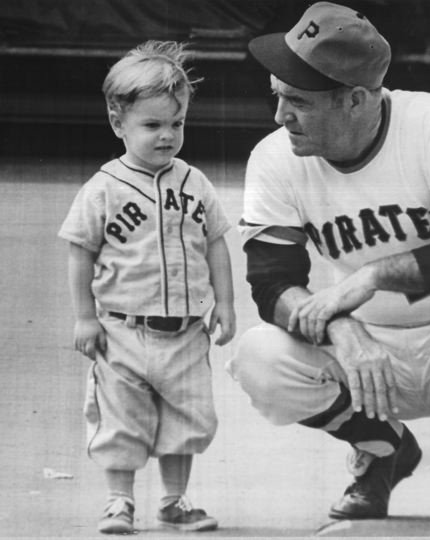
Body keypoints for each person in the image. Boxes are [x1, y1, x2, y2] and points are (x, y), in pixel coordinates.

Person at [228, 2, 430, 536]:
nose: (280, 116)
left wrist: (371, 276)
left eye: (298, 101)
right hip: (370, 361)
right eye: (278, 95)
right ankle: (385, 449)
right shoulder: (273, 157)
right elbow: (270, 282)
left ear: (355, 99)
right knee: (258, 358)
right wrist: (342, 328)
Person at [58, 40, 235, 534]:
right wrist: (84, 316)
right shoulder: (103, 188)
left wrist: (225, 302)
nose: (166, 136)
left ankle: (175, 501)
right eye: (152, 125)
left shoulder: (195, 181)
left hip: (185, 330)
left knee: (187, 418)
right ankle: (119, 501)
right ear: (119, 124)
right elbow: (80, 253)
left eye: (176, 124)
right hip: (122, 330)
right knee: (122, 420)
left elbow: (217, 242)